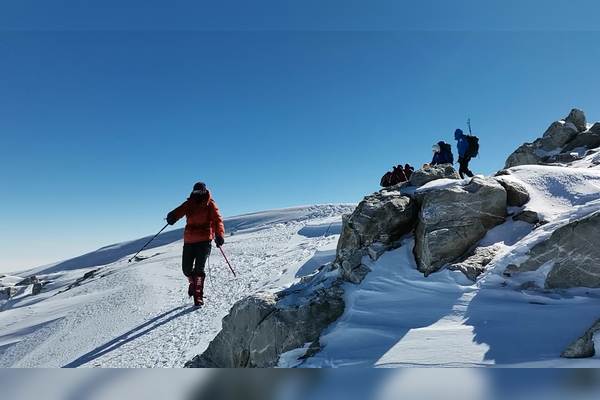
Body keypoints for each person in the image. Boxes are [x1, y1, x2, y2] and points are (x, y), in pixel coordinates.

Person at [166, 182, 225, 306]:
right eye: (196, 192)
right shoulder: (189, 203)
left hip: (204, 241)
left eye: (200, 192)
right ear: (193, 192)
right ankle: (193, 283)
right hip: (189, 241)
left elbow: (217, 220)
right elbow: (179, 211)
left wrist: (219, 235)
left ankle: (198, 296)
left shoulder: (210, 204)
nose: (198, 194)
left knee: (199, 269)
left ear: (204, 191)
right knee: (186, 269)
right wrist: (172, 217)